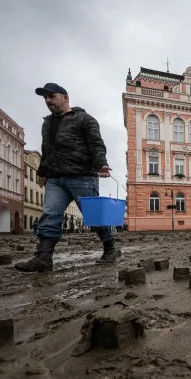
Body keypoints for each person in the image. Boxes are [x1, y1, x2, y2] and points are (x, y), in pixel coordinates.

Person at [15, 83, 117, 272]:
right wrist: (43, 172)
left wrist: (100, 163)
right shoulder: (47, 123)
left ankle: (110, 248)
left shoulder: (84, 119)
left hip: (82, 176)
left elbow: (96, 144)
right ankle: (44, 258)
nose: (48, 101)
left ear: (65, 97)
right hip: (55, 178)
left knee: (94, 217)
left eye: (51, 96)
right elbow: (47, 149)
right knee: (50, 214)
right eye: (45, 98)